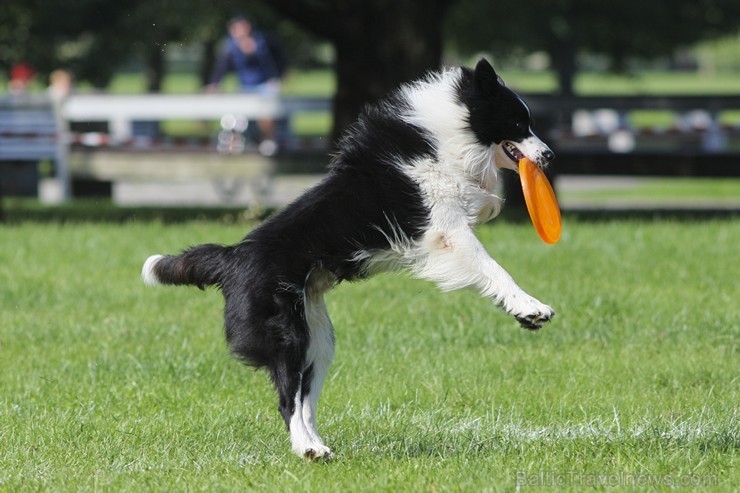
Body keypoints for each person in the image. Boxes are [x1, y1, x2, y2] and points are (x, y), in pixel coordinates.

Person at [207, 15, 285, 156]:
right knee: (233, 117)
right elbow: (222, 67)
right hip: (244, 87)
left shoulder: (262, 41)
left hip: (264, 85)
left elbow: (278, 60)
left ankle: (268, 141)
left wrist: (277, 78)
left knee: (266, 114)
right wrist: (215, 83)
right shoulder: (230, 46)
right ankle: (234, 145)